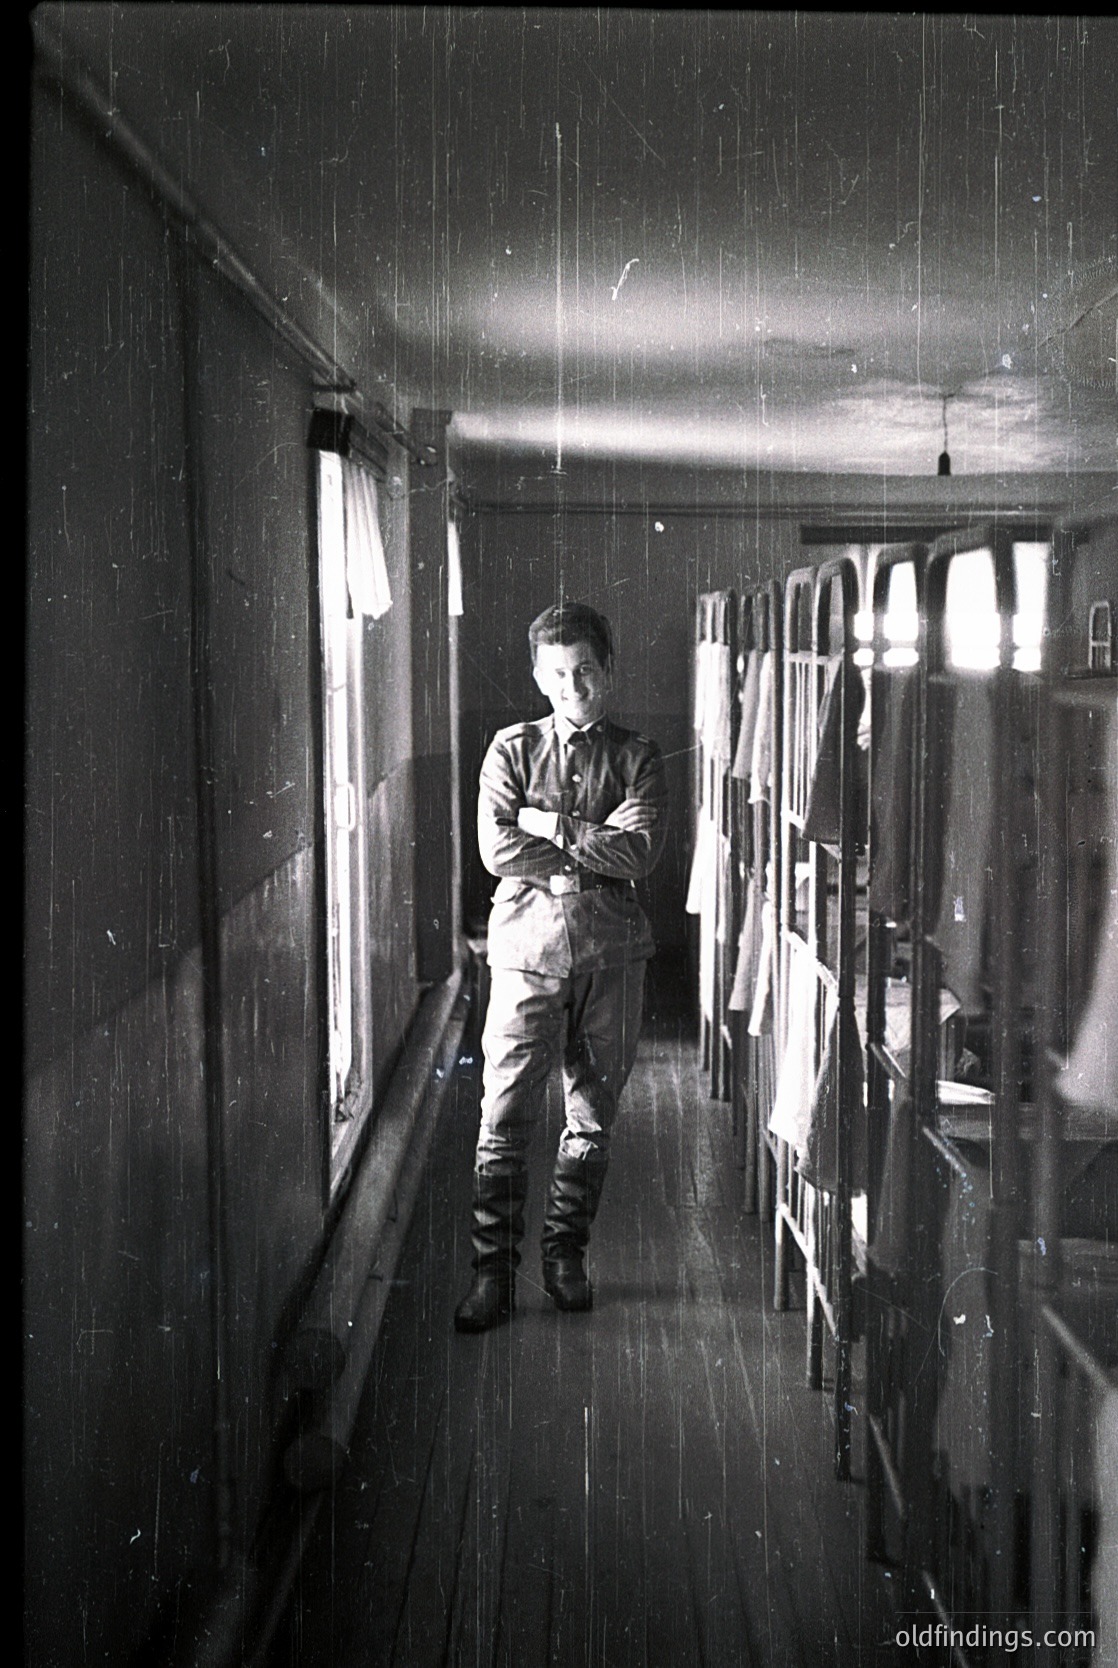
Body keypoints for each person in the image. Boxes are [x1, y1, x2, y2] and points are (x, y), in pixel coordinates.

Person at [454, 601, 668, 1332]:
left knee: (591, 1114)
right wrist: (586, 842)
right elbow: (496, 849)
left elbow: (639, 852)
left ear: (605, 672)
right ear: (538, 677)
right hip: (525, 954)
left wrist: (547, 825)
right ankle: (492, 1275)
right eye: (558, 673)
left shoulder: (637, 757)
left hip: (612, 954)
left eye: (585, 671)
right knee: (504, 1110)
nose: (573, 685)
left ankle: (564, 1259)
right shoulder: (509, 751)